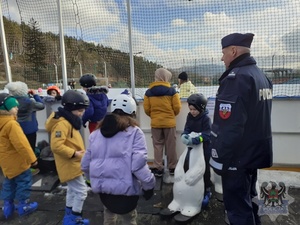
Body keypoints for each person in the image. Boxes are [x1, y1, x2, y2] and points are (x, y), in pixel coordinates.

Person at [209, 33, 273, 225]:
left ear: (233, 51)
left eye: (223, 53)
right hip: (254, 154)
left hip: (237, 157)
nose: (222, 58)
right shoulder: (260, 76)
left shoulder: (236, 79)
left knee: (237, 209)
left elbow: (228, 127)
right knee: (251, 199)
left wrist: (218, 158)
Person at [81, 94, 155, 225]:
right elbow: (137, 165)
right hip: (126, 194)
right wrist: (149, 185)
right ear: (132, 113)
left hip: (105, 193)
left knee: (108, 215)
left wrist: (89, 180)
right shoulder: (135, 132)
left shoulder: (96, 133)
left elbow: (86, 164)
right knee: (129, 219)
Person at [45, 90, 90, 225]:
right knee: (82, 192)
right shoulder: (62, 123)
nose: (82, 113)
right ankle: (75, 218)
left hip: (73, 163)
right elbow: (56, 146)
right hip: (70, 163)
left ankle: (69, 216)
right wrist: (74, 153)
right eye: (79, 110)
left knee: (72, 190)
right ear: (71, 108)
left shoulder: (69, 120)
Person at [0, 93, 38, 219]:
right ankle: (24, 206)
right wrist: (32, 159)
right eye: (14, 107)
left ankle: (7, 207)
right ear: (5, 109)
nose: (17, 109)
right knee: (23, 182)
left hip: (5, 162)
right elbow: (22, 144)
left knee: (9, 184)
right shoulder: (11, 124)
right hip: (18, 162)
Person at [143, 68, 181, 177]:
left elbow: (146, 109)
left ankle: (158, 168)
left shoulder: (149, 92)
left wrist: (154, 116)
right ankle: (172, 167)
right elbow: (177, 107)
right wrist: (171, 115)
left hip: (155, 123)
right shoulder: (172, 91)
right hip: (169, 123)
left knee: (157, 145)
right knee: (171, 146)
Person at [5, 81, 45, 175]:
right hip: (29, 129)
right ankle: (30, 168)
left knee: (19, 149)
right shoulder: (29, 102)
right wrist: (35, 95)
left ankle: (20, 168)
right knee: (30, 149)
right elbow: (41, 105)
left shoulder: (10, 102)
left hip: (16, 129)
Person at [180, 93, 212, 207]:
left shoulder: (206, 119)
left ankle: (207, 189)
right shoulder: (190, 116)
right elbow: (187, 127)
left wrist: (197, 140)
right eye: (191, 109)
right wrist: (184, 134)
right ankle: (193, 187)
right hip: (193, 149)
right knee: (190, 165)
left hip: (205, 148)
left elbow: (207, 135)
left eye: (195, 109)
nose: (192, 111)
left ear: (201, 108)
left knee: (205, 169)